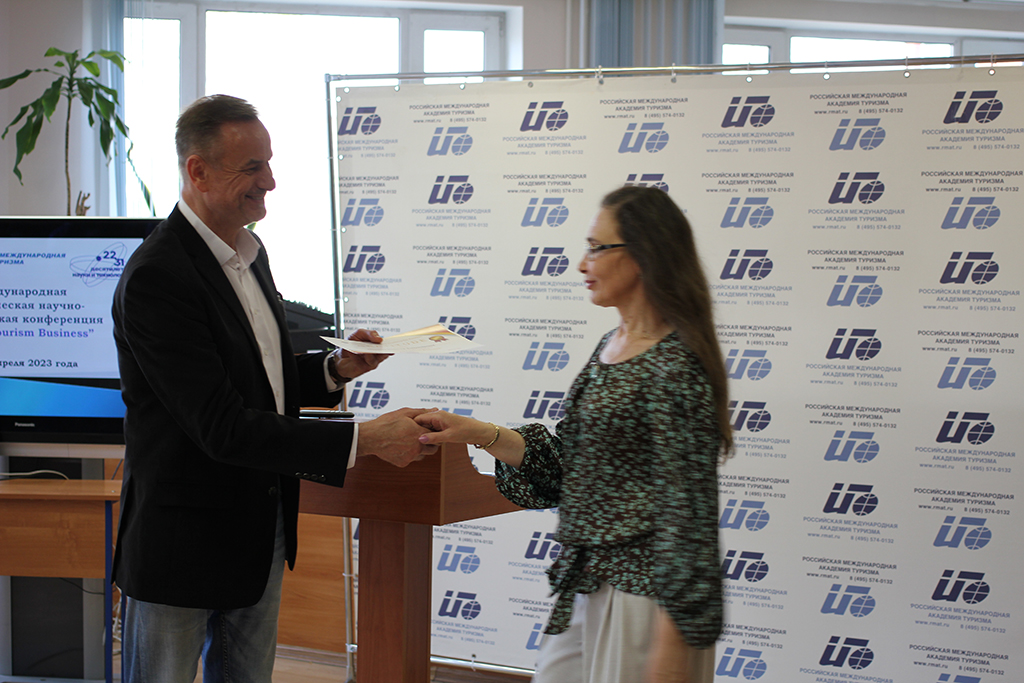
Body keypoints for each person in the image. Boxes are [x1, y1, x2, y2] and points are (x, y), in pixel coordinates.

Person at [111, 94, 437, 683]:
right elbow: (222, 426)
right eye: (252, 168)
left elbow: (258, 375)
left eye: (269, 163)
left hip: (259, 531)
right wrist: (364, 440)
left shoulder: (251, 254)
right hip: (181, 546)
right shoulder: (158, 277)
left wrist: (335, 369)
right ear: (198, 171)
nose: (271, 182)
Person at [416, 185, 732, 683]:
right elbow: (573, 466)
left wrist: (673, 645)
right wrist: (476, 432)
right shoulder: (613, 345)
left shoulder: (675, 367)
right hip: (590, 583)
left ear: (643, 255)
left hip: (647, 598)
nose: (583, 264)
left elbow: (687, 514)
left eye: (596, 248)